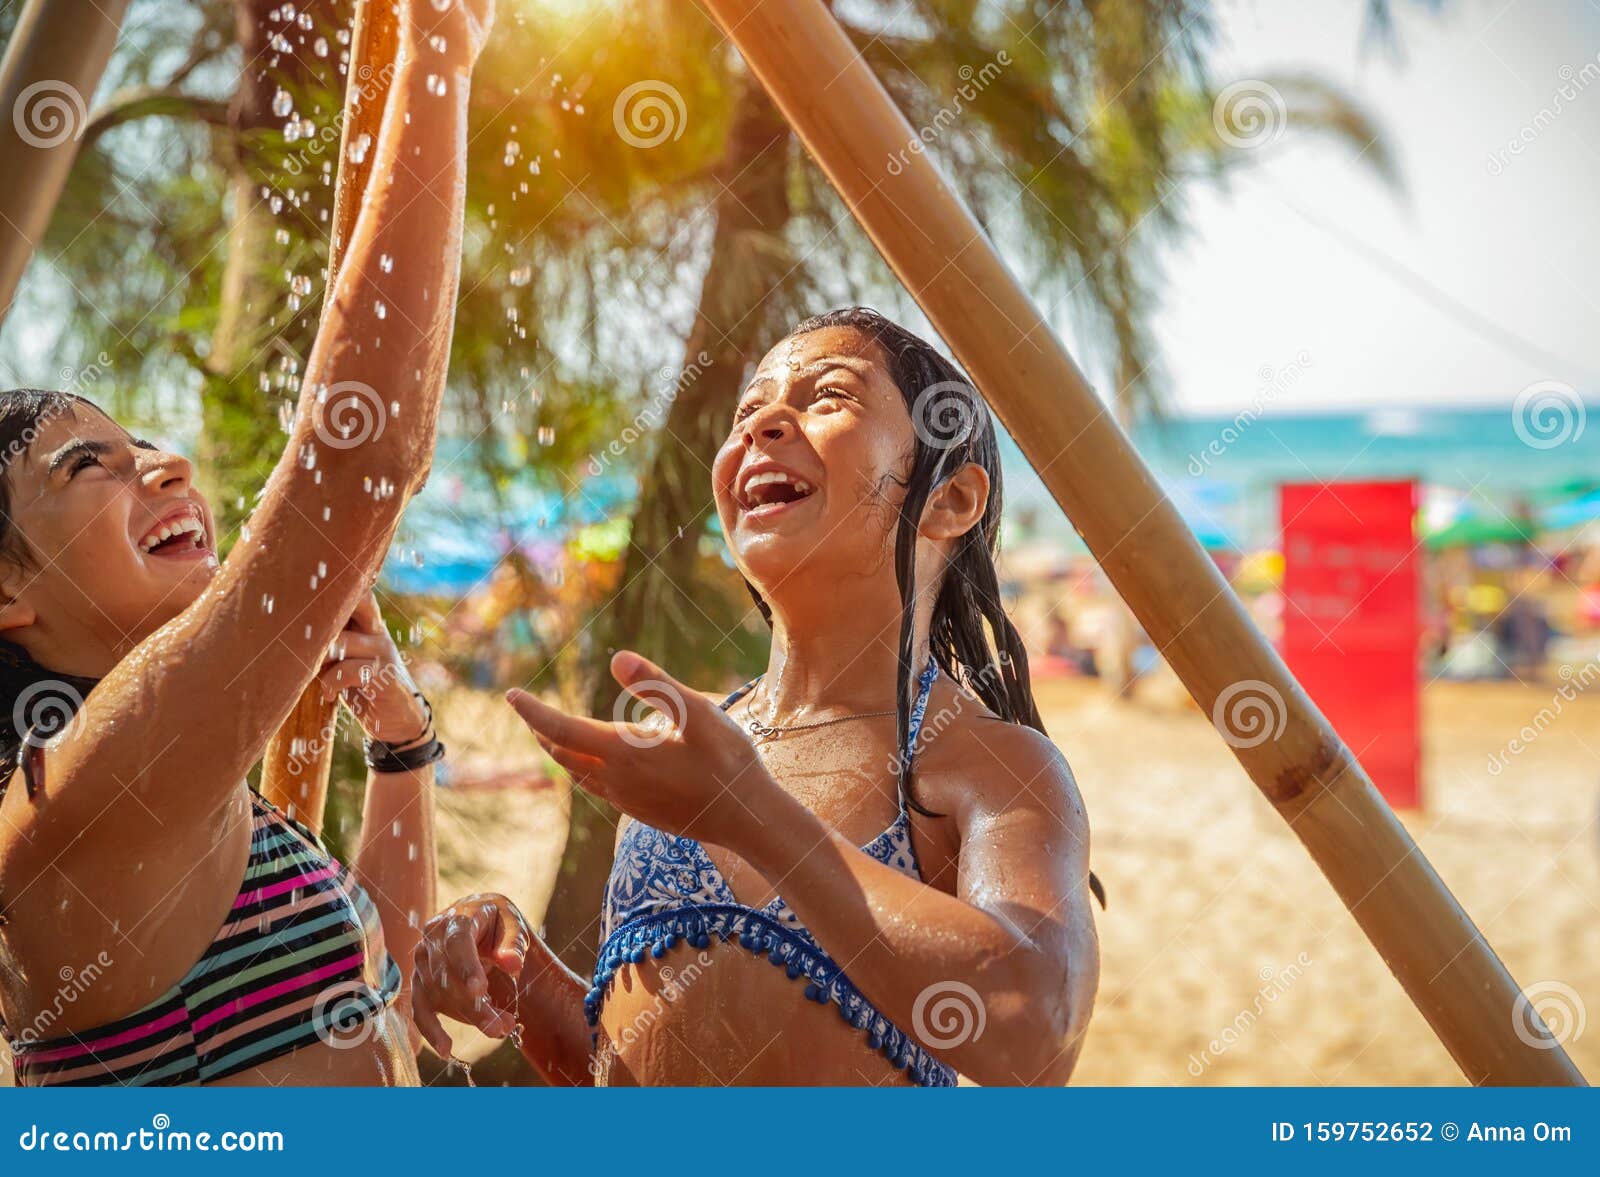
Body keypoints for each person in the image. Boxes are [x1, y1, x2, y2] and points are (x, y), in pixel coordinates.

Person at [413, 308, 1101, 1086]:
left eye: (828, 396)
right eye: (748, 411)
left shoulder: (981, 764)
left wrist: (750, 812)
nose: (767, 420)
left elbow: (1036, 1031)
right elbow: (619, 1066)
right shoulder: (690, 748)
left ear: (948, 500)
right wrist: (520, 979)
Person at [0, 0, 493, 1086]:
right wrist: (440, 51)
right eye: (90, 466)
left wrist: (401, 747)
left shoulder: (177, 774)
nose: (166, 464)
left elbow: (379, 996)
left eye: (143, 442)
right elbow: (358, 469)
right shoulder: (67, 798)